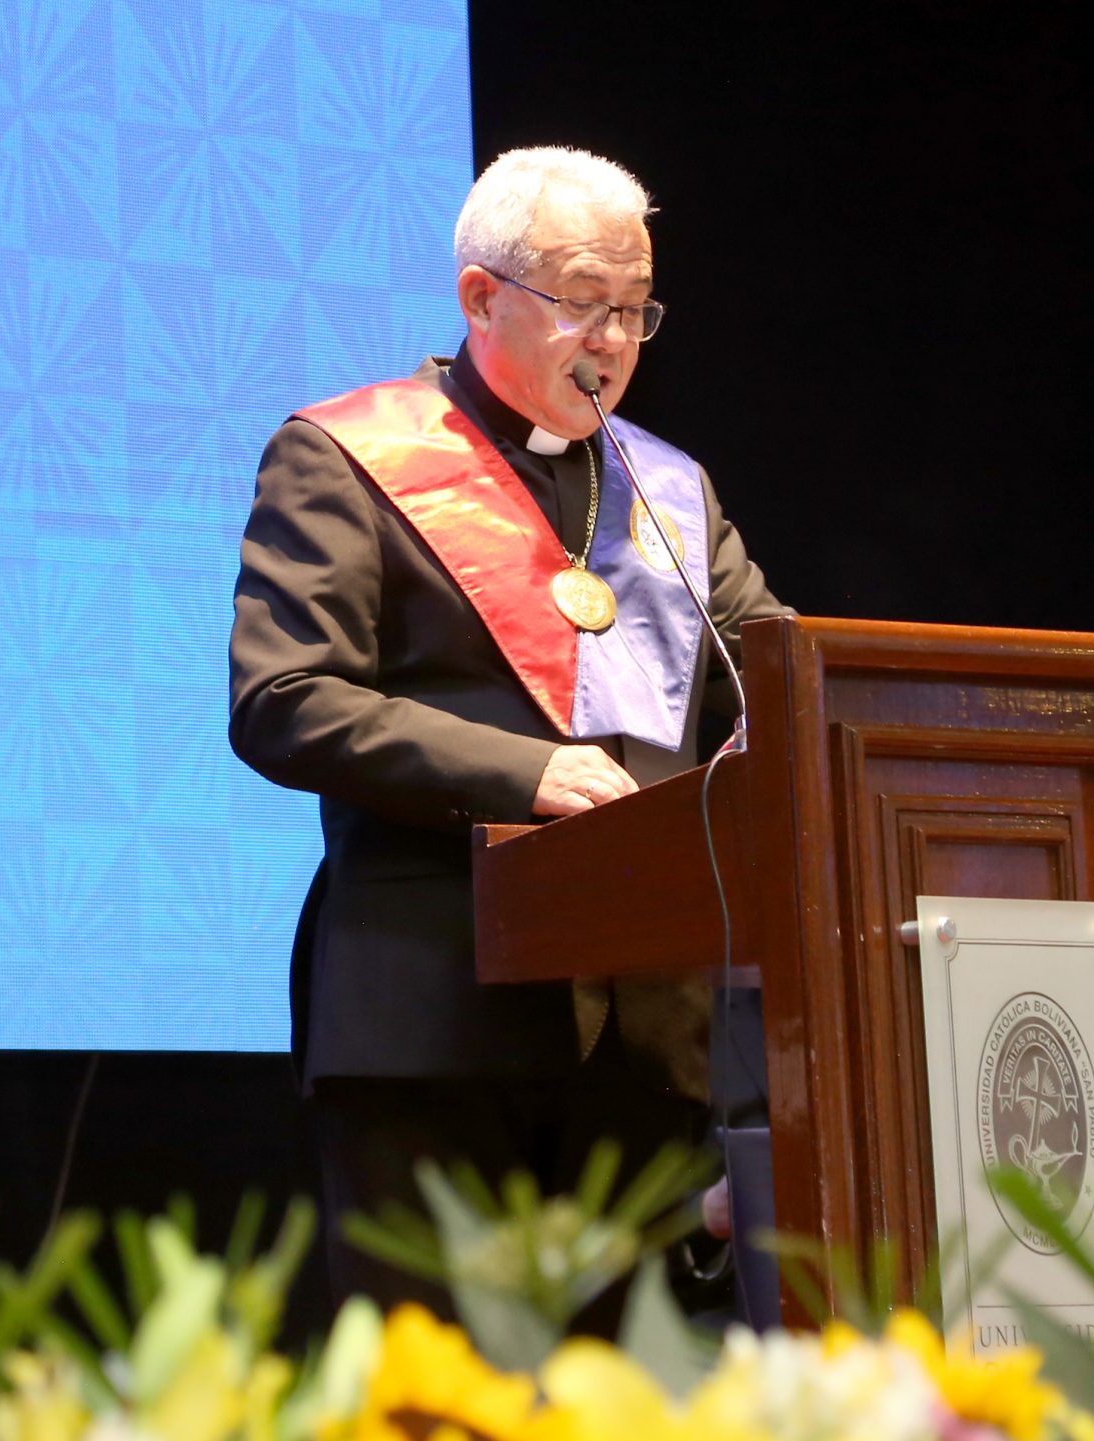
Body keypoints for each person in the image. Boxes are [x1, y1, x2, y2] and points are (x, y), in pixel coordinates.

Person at [228, 146, 788, 1305]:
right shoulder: (347, 460)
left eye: (636, 310)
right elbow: (284, 700)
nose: (616, 343)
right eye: (584, 305)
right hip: (436, 1027)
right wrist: (524, 771)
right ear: (481, 296)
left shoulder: (670, 495)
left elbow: (785, 677)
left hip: (649, 1052)